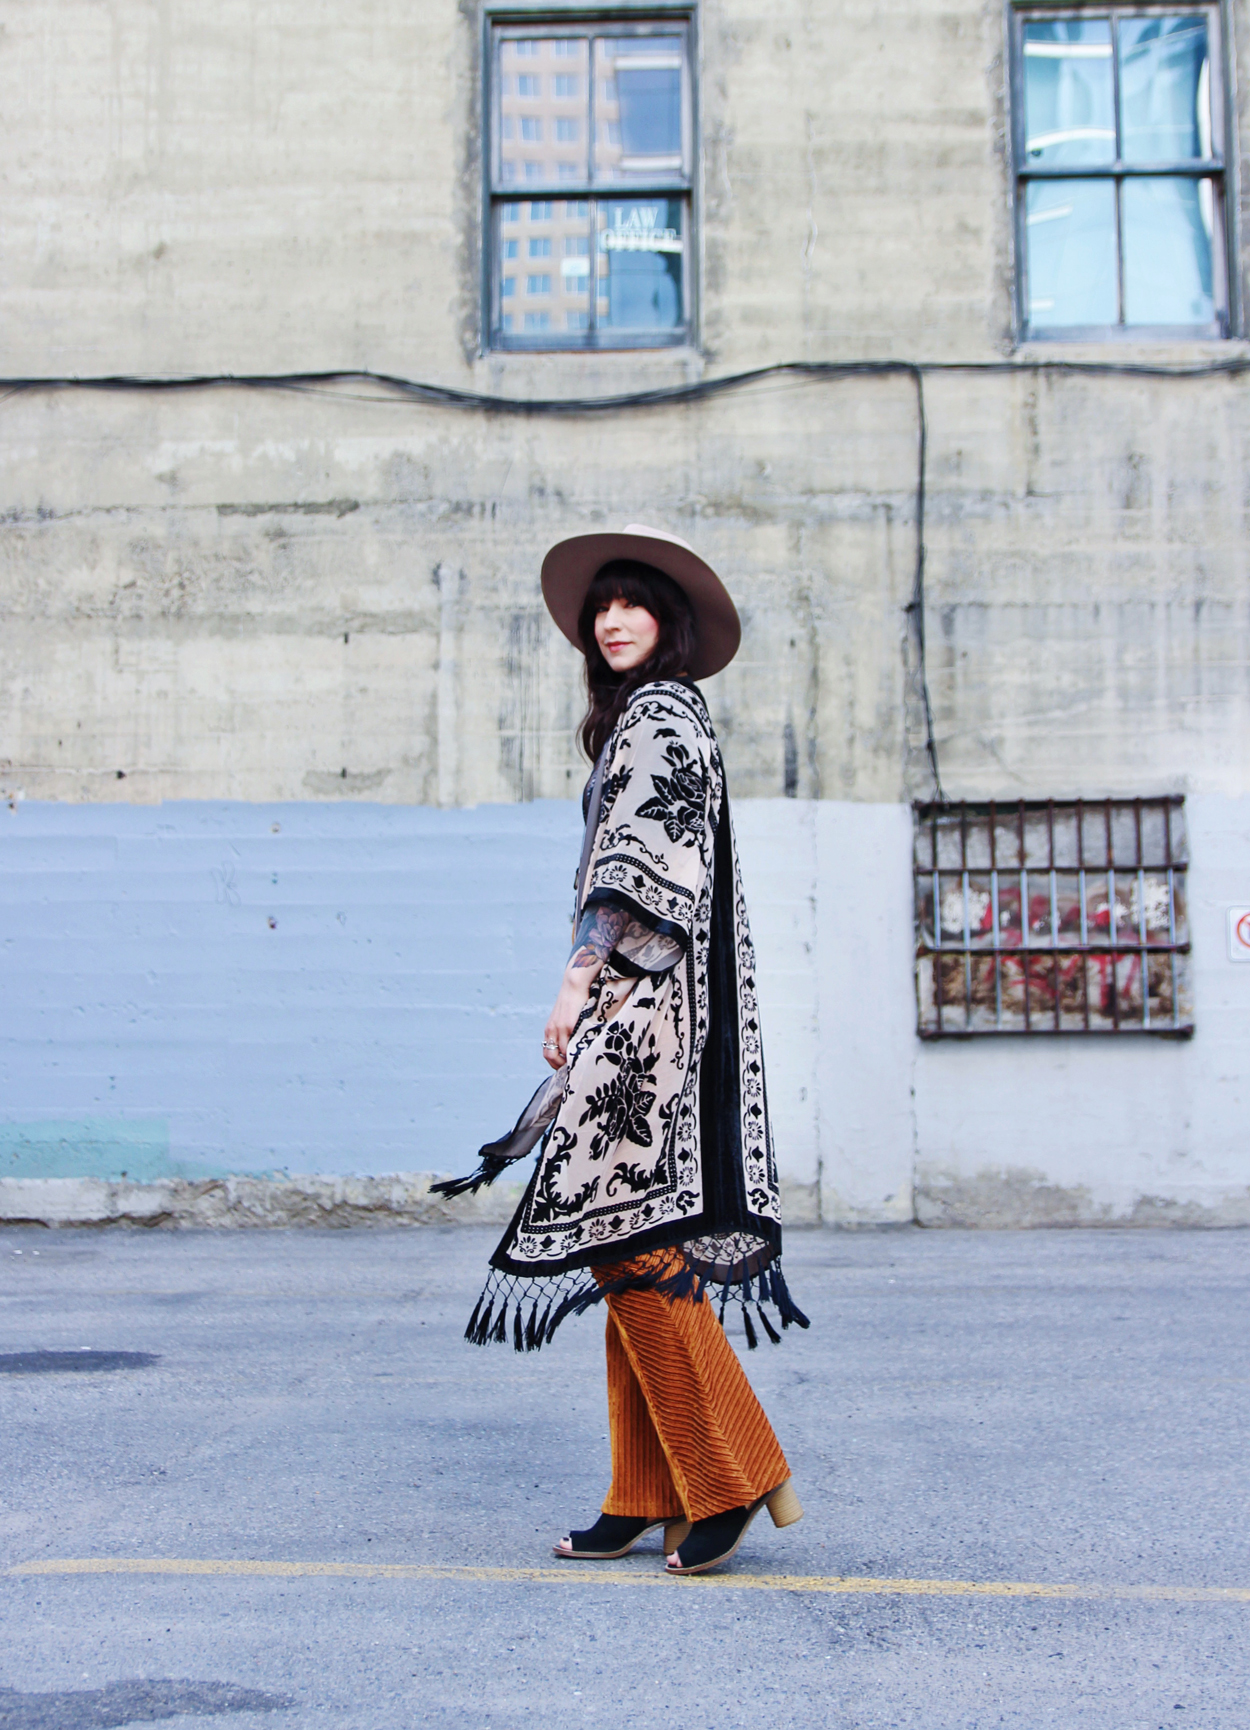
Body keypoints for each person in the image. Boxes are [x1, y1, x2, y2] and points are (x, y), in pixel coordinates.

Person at [434, 524, 808, 1577]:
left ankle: (731, 1473)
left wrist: (577, 977)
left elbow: (641, 865)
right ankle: (643, 1491)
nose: (611, 620)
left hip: (644, 1010)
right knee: (626, 1235)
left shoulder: (659, 714)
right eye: (601, 607)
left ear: (668, 621)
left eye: (633, 603)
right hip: (653, 1006)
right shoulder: (656, 717)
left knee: (633, 1241)